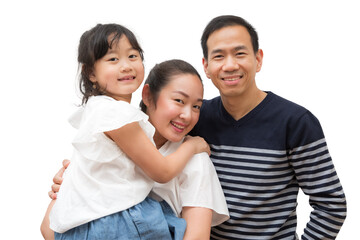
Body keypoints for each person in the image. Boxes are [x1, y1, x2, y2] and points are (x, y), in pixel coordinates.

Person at [44, 23, 215, 240]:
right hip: (114, 223)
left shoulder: (101, 112)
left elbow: (49, 229)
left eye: (133, 56)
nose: (126, 66)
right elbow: (161, 172)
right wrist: (192, 145)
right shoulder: (114, 115)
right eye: (113, 59)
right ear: (90, 73)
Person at [188, 15, 347, 239]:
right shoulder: (195, 117)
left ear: (258, 59)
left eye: (240, 53)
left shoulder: (295, 121)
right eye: (219, 56)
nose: (230, 65)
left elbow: (331, 204)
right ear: (206, 66)